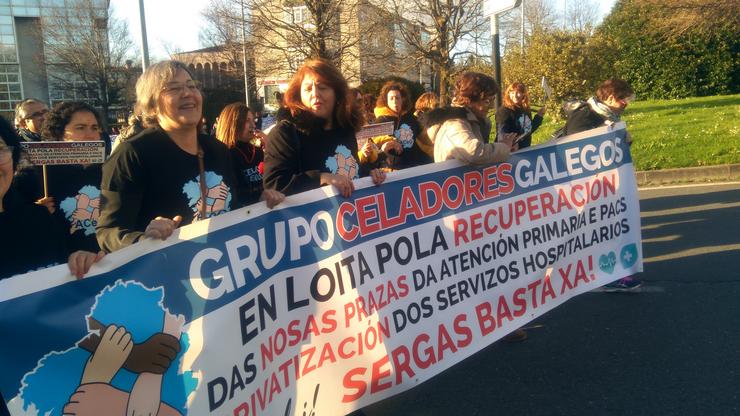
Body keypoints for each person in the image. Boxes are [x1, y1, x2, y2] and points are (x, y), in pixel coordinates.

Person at [97, 60, 274, 253]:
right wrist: (143, 238)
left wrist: (260, 201)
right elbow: (108, 232)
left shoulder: (218, 150)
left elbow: (233, 205)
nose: (188, 93)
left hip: (225, 269)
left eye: (191, 86)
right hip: (170, 275)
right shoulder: (131, 154)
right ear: (152, 104)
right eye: (173, 88)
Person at [263, 58, 386, 197]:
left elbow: (348, 172)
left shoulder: (345, 129)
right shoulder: (285, 133)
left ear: (337, 93)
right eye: (308, 89)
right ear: (299, 95)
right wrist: (322, 178)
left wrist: (369, 173)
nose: (315, 93)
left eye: (322, 87)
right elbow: (274, 186)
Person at [564, 78, 641, 292]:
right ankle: (605, 275)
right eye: (622, 98)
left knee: (609, 228)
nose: (626, 102)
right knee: (599, 230)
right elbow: (576, 148)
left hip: (606, 184)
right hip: (589, 186)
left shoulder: (608, 116)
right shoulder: (586, 115)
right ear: (608, 97)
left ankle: (612, 272)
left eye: (628, 97)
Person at [0, 121, 102, 281]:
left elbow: (60, 272)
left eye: (0, 149)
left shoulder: (38, 218)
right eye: (80, 127)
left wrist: (79, 262)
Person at [13, 102, 106, 254]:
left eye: (94, 128)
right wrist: (32, 213)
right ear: (59, 133)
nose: (91, 135)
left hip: (107, 262)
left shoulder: (110, 169)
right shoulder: (34, 175)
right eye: (80, 128)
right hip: (62, 267)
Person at [420, 72, 515, 164]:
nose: (491, 107)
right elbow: (474, 153)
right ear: (469, 101)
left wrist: (502, 146)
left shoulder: (470, 120)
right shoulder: (455, 124)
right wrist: (504, 147)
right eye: (487, 101)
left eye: (492, 100)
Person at [216, 102, 281, 205]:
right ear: (233, 123)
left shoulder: (258, 151)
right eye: (247, 121)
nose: (253, 125)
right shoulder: (224, 155)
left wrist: (269, 147)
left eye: (253, 120)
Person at [371, 81, 432, 169]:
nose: (394, 101)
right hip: (391, 170)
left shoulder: (412, 118)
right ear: (386, 101)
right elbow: (374, 139)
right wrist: (389, 142)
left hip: (413, 168)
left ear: (403, 99)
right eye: (391, 98)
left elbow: (426, 138)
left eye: (397, 98)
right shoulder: (382, 120)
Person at [495, 81, 545, 151]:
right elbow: (502, 134)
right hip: (510, 151)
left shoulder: (525, 110)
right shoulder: (504, 111)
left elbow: (528, 130)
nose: (515, 95)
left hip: (524, 150)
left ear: (523, 94)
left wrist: (539, 117)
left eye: (518, 92)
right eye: (512, 93)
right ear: (508, 94)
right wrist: (513, 143)